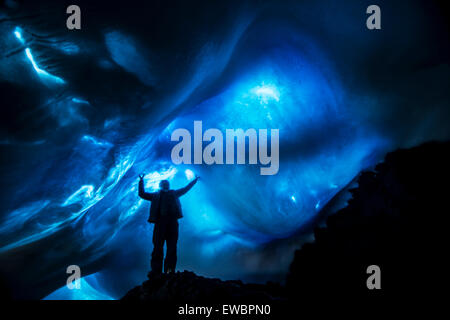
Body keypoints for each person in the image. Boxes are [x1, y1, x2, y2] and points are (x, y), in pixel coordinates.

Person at [138, 174, 199, 274]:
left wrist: (194, 180)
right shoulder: (155, 195)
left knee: (171, 247)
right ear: (160, 185)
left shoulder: (174, 193)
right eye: (163, 183)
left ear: (168, 185)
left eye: (166, 183)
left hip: (172, 223)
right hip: (160, 224)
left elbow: (185, 189)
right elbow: (142, 194)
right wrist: (141, 181)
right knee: (158, 247)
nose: (165, 184)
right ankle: (156, 271)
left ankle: (169, 271)